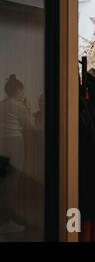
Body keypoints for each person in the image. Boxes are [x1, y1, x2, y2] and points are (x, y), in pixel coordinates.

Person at [0, 74, 34, 234]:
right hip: (15, 144)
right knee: (12, 183)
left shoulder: (3, 104)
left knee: (4, 182)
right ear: (18, 90)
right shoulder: (18, 106)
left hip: (3, 143)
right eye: (22, 91)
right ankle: (6, 221)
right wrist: (27, 107)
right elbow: (31, 126)